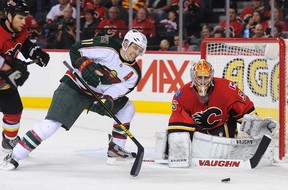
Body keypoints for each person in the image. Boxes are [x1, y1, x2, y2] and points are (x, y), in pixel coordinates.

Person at [1, 29, 147, 170]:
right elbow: (76, 49)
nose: (136, 53)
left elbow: (118, 90)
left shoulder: (134, 74)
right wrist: (84, 66)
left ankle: (116, 149)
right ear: (126, 43)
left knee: (127, 109)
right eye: (135, 48)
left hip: (96, 97)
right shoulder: (107, 46)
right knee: (51, 124)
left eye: (140, 50)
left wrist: (108, 99)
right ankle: (15, 155)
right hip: (74, 87)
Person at [164, 59, 278, 167]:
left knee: (224, 154)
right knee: (181, 139)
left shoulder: (227, 89)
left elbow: (245, 110)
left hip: (221, 126)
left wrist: (256, 126)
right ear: (193, 76)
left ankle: (231, 150)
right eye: (199, 77)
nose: (203, 81)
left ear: (211, 75)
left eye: (206, 77)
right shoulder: (182, 95)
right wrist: (177, 149)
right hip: (197, 131)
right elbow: (179, 126)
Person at [0, 0, 50, 153]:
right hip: (5, 76)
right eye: (20, 18)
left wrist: (36, 52)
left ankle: (9, 140)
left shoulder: (21, 30)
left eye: (25, 18)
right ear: (9, 16)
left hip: (3, 82)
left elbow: (24, 43)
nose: (24, 22)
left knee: (14, 110)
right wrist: (10, 68)